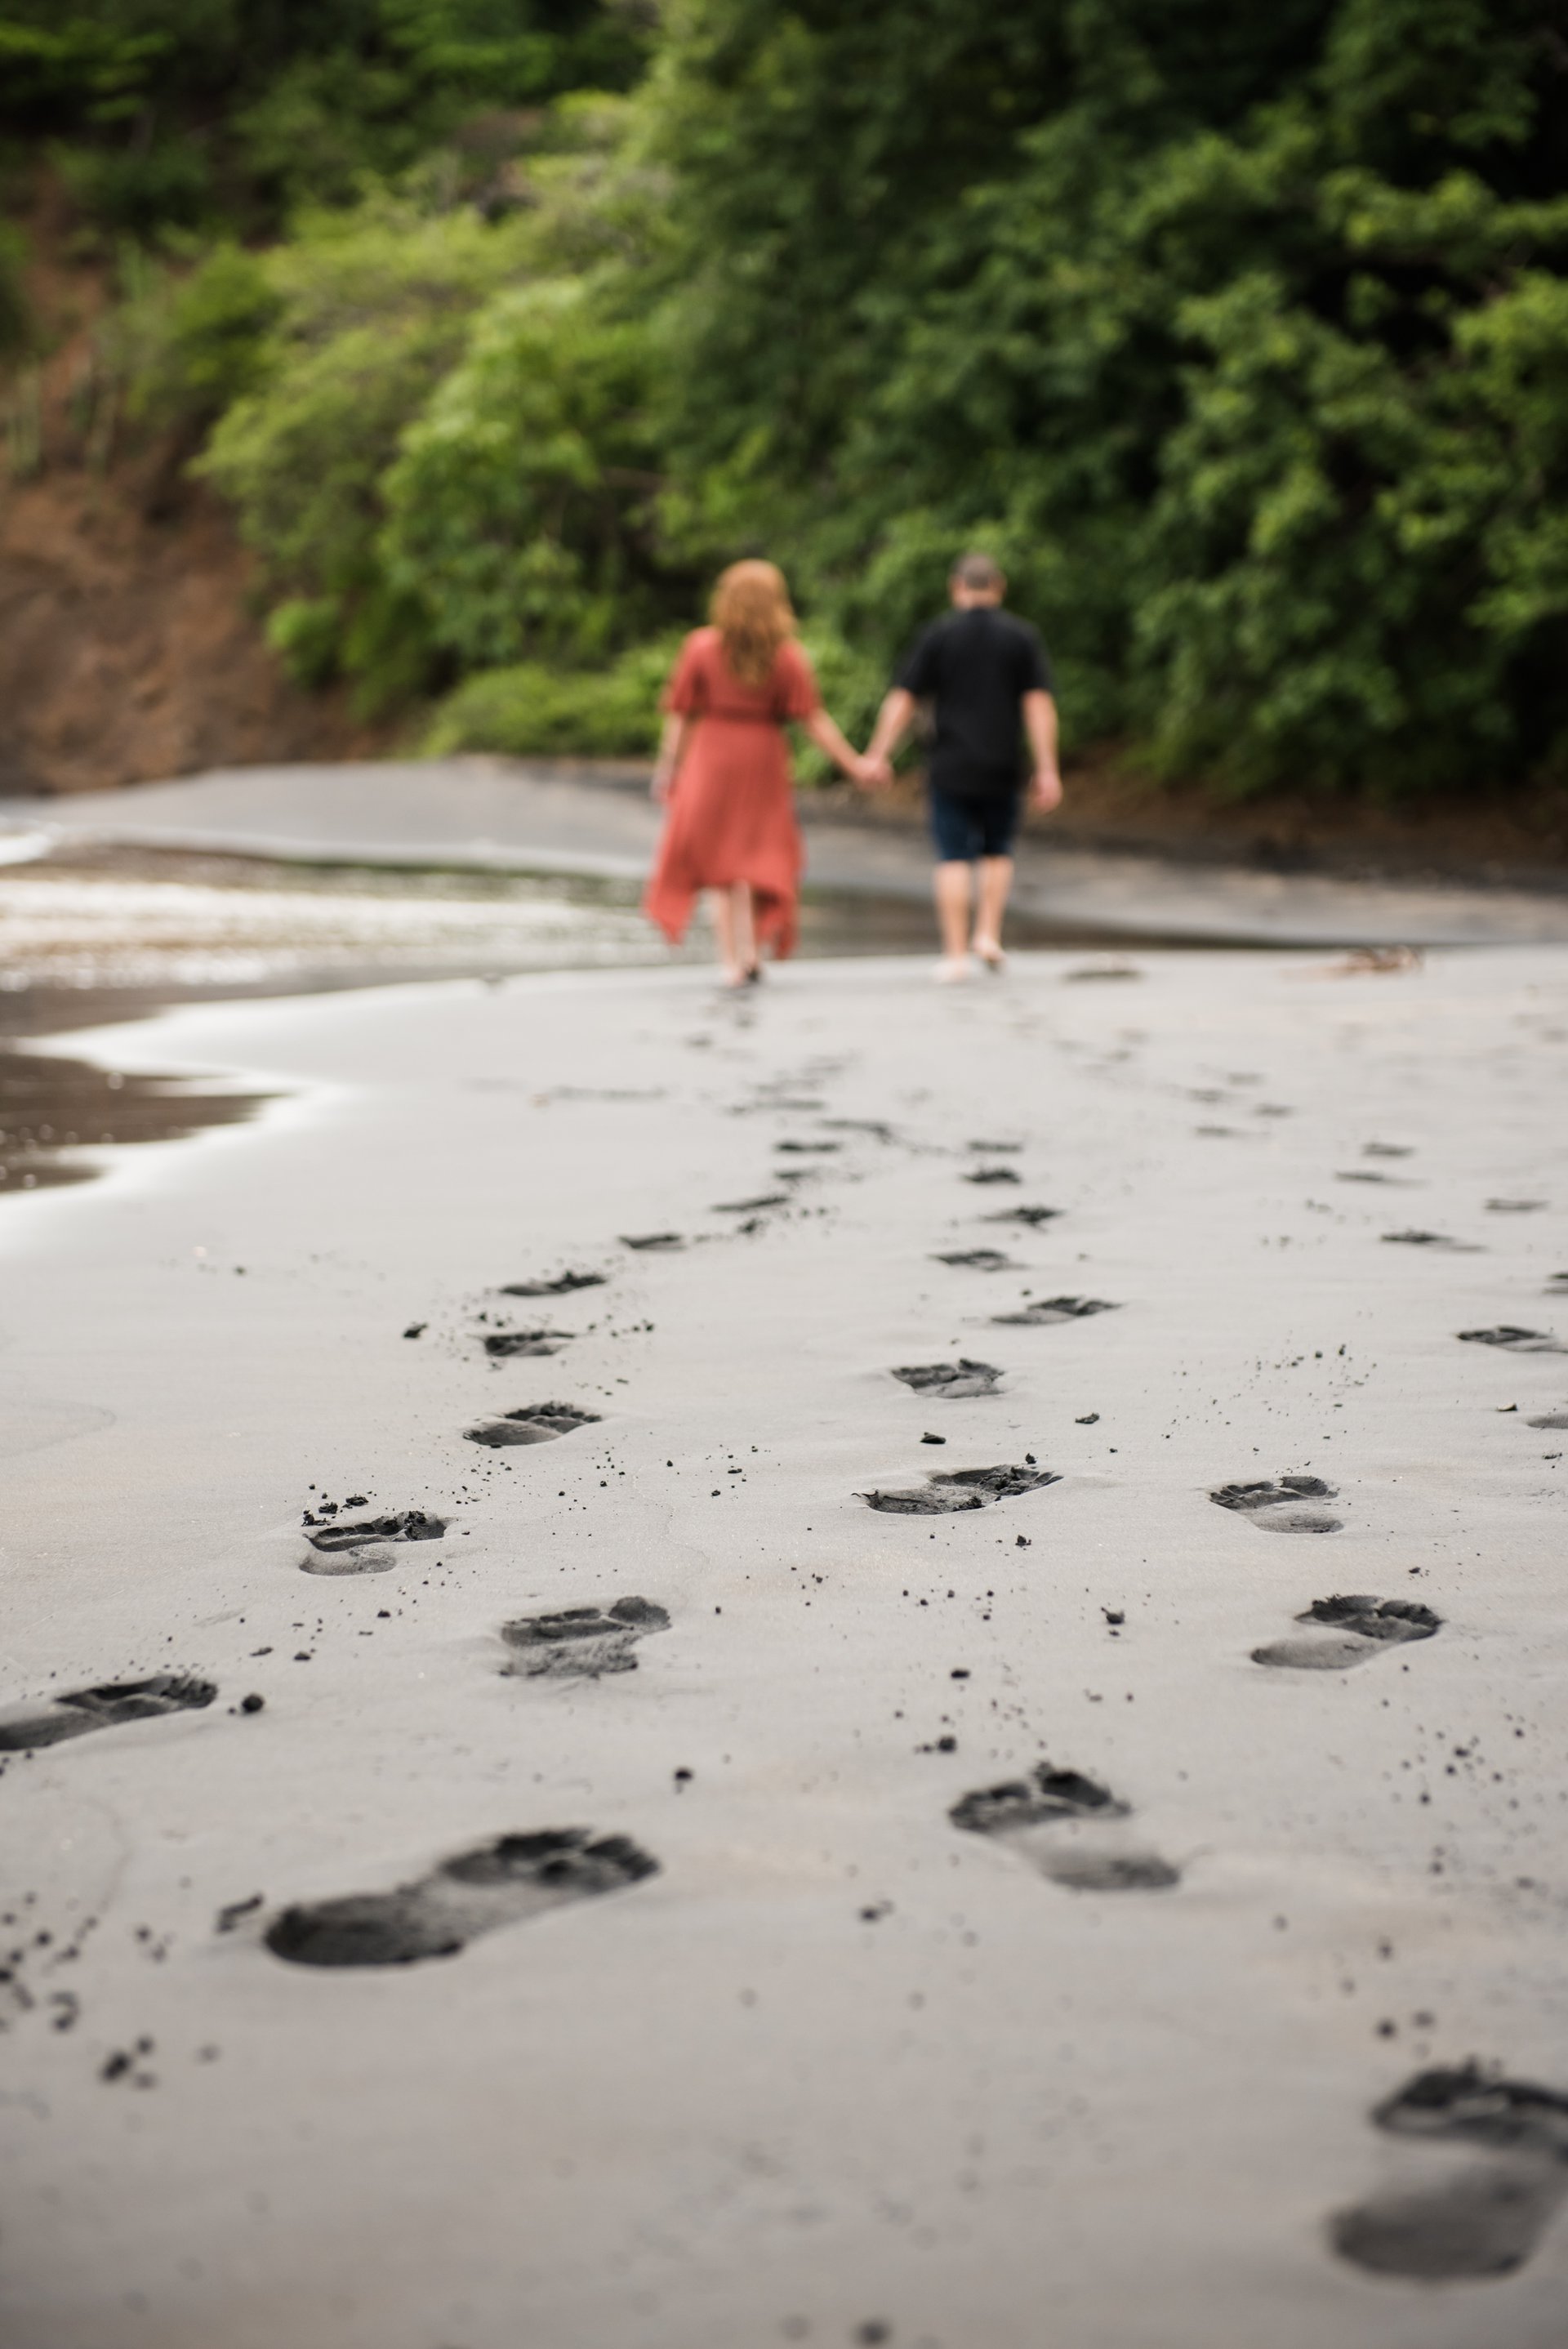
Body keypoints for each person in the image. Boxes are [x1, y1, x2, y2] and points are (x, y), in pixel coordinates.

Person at [645, 560, 871, 987]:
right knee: (751, 857)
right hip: (763, 759)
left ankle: (730, 960)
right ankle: (752, 953)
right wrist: (854, 763)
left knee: (720, 864)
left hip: (711, 757)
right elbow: (813, 719)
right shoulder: (787, 656)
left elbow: (681, 716)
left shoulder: (700, 647)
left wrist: (667, 770)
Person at [862, 552, 1062, 981]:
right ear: (999, 587)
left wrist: (879, 753)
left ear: (957, 587)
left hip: (950, 762)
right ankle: (988, 934)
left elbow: (903, 699)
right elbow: (1038, 705)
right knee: (997, 850)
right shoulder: (1021, 637)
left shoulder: (939, 635)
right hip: (1002, 761)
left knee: (953, 856)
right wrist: (1048, 768)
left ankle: (955, 954)